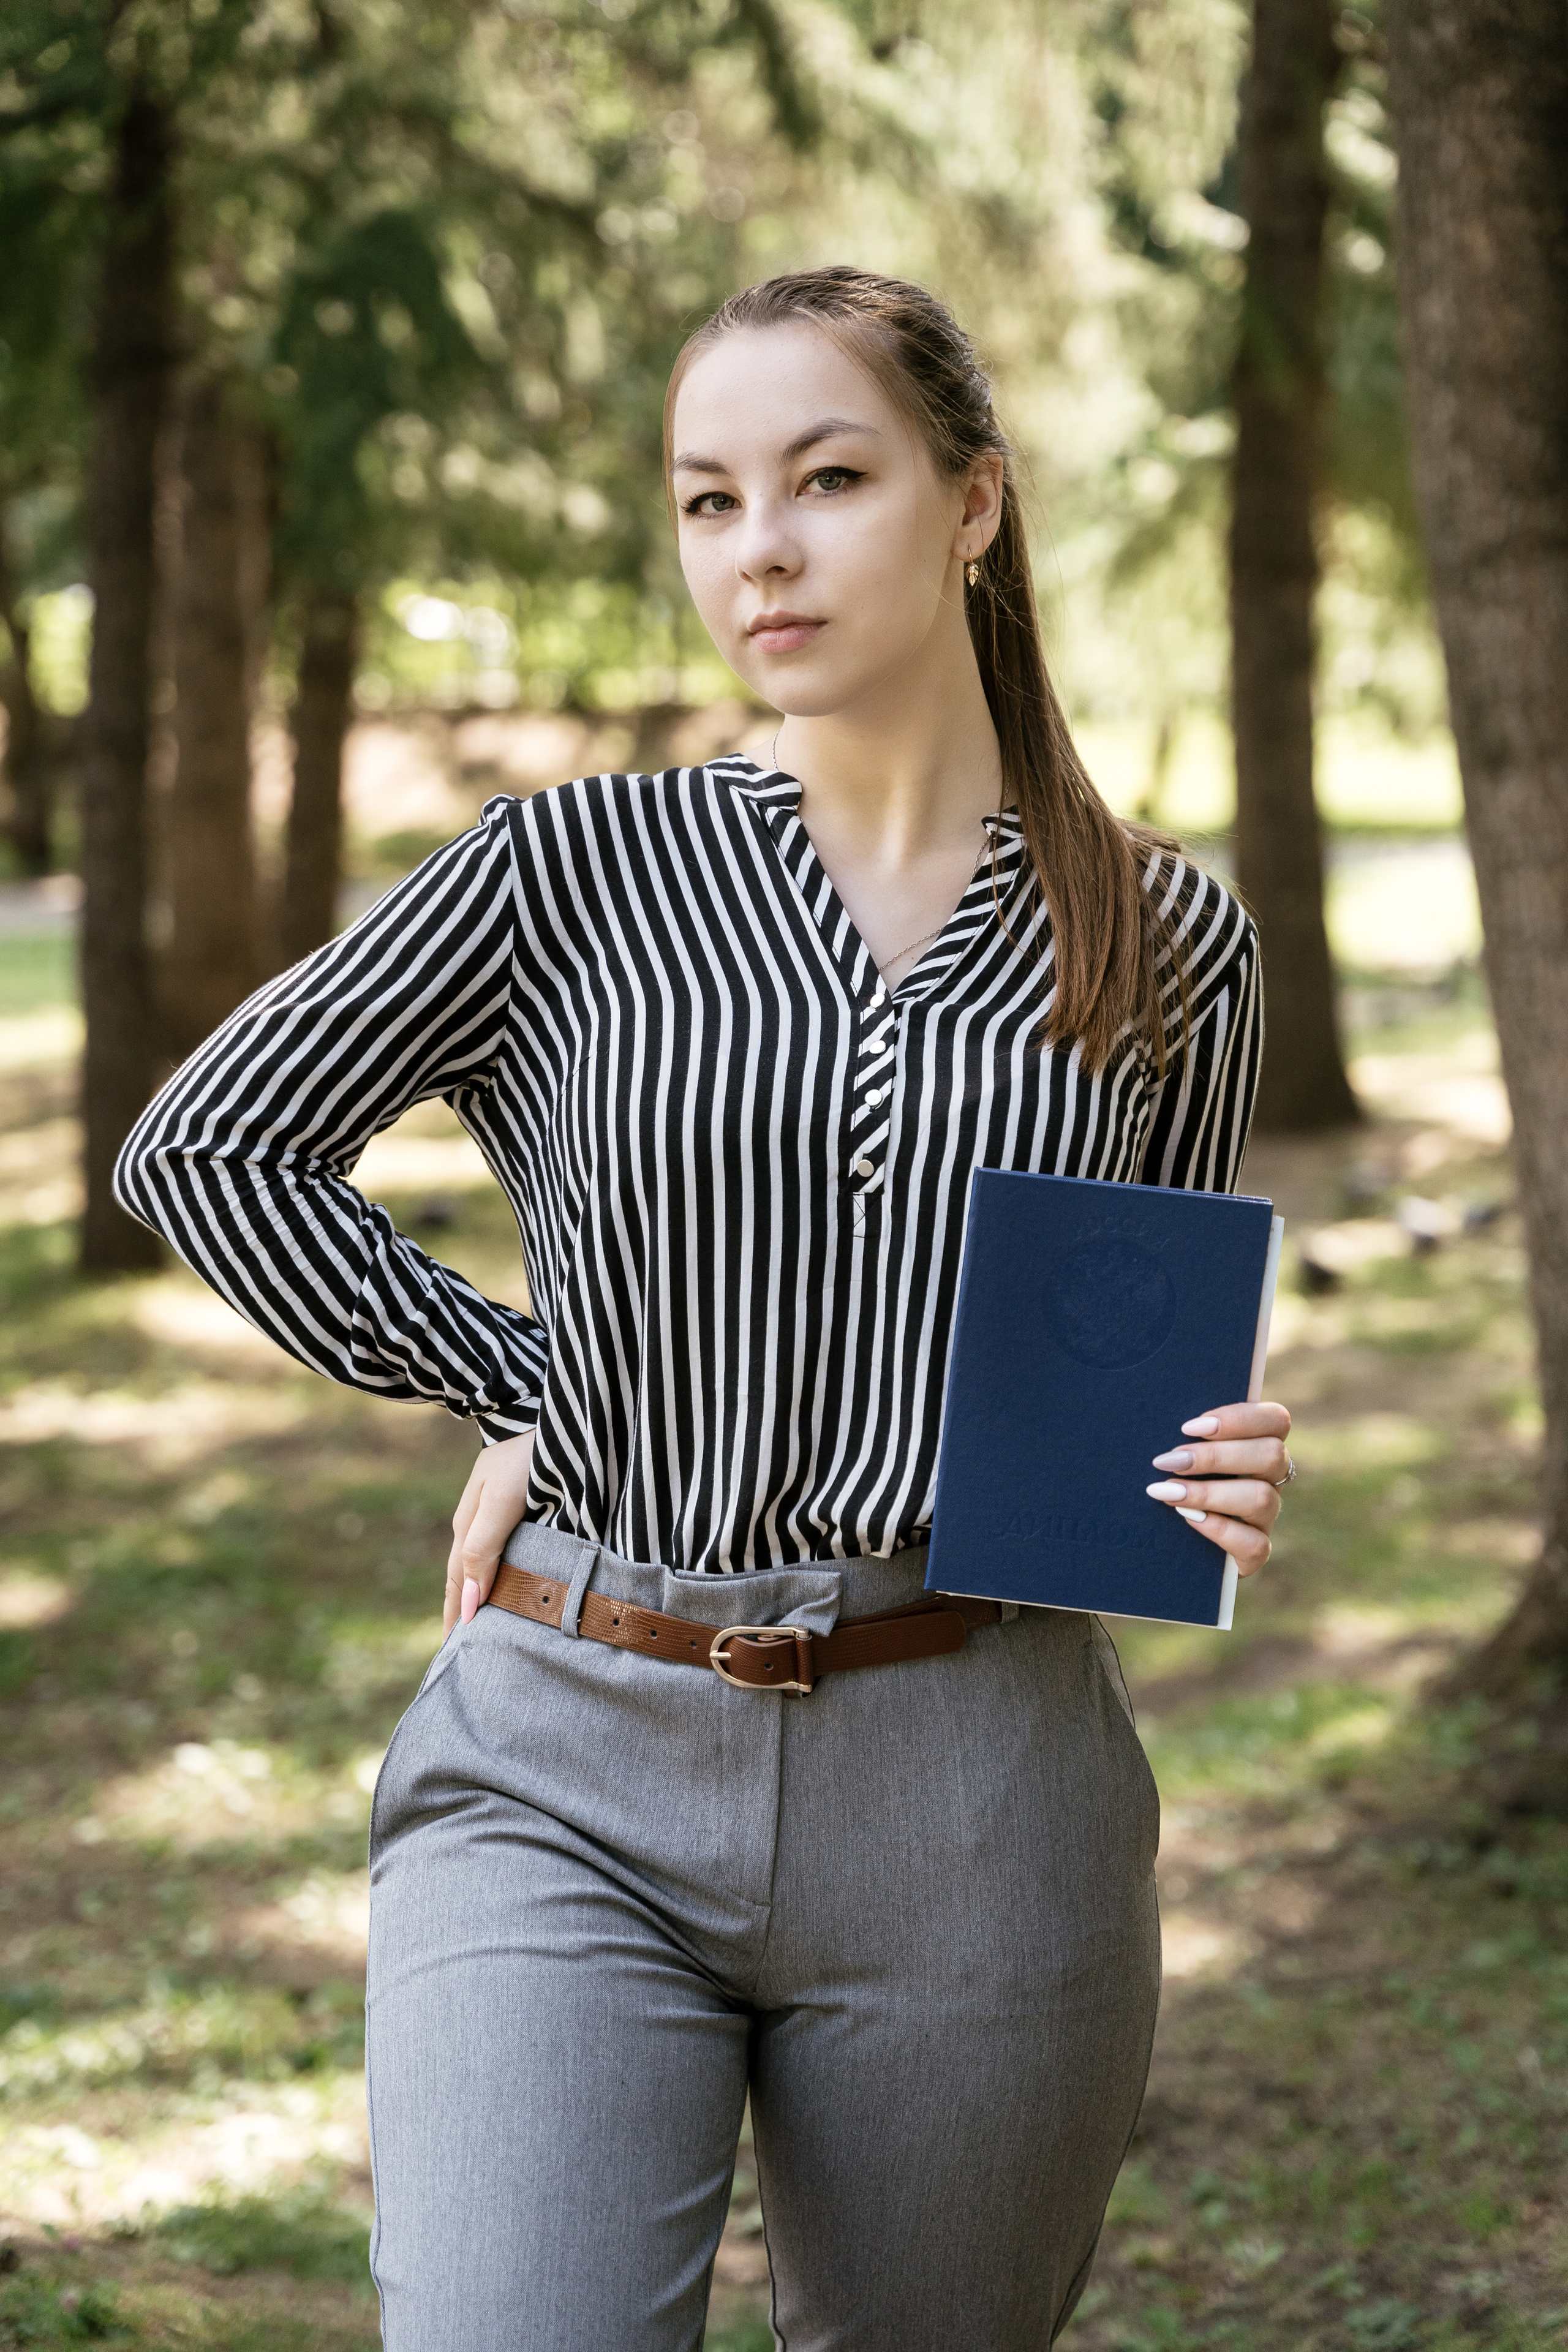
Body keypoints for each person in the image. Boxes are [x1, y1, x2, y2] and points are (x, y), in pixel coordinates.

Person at [117, 265, 1292, 2351]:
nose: (760, 546)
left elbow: (1124, 1360)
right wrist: (535, 1390)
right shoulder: (561, 873)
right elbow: (207, 1149)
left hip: (985, 1783)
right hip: (567, 1746)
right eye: (706, 498)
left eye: (827, 477)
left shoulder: (1165, 929)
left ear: (973, 504)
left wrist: (1203, 1463)